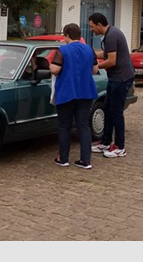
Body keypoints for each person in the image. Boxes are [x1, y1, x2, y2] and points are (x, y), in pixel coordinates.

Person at [49, 23, 99, 169]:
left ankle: (63, 158)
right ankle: (85, 160)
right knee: (83, 125)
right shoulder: (89, 49)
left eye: (64, 36)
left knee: (65, 126)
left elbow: (56, 70)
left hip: (67, 92)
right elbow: (95, 70)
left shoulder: (63, 50)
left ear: (67, 35)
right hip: (86, 92)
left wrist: (49, 65)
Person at [88, 13, 135, 158]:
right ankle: (105, 142)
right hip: (116, 78)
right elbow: (107, 53)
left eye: (92, 26)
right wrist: (92, 54)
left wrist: (97, 67)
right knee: (108, 109)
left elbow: (112, 60)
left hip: (121, 79)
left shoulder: (111, 36)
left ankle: (120, 147)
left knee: (116, 112)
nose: (91, 30)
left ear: (99, 25)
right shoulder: (111, 34)